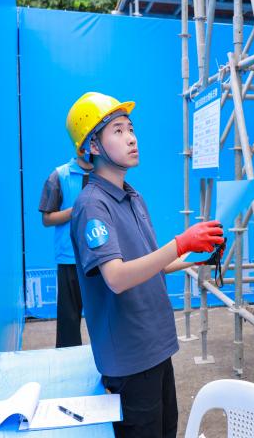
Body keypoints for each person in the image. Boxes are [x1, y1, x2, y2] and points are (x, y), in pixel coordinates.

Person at [67, 92, 224, 437]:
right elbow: (116, 277)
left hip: (155, 347)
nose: (131, 138)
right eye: (118, 131)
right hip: (129, 360)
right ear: (92, 145)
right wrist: (181, 243)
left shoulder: (132, 197)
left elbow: (154, 264)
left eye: (131, 128)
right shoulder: (92, 205)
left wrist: (197, 255)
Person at [38, 133, 93, 348]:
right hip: (69, 259)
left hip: (101, 257)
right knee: (68, 321)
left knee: (106, 317)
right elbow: (47, 219)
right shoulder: (58, 176)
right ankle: (67, 361)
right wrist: (75, 210)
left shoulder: (105, 174)